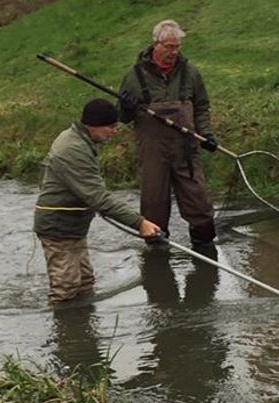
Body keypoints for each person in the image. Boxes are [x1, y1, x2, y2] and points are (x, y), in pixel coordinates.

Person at [33, 98, 161, 304]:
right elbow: (99, 197)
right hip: (57, 226)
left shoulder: (80, 140)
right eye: (110, 127)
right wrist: (139, 223)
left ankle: (85, 331)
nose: (114, 131)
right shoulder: (73, 149)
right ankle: (65, 332)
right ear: (93, 125)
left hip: (73, 225)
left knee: (84, 284)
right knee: (65, 289)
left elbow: (90, 192)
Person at [118, 19, 218, 252]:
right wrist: (128, 107)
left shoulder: (191, 72)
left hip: (186, 149)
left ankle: (205, 251)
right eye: (169, 47)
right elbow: (122, 117)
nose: (174, 52)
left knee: (199, 203)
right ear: (156, 44)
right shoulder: (134, 76)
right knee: (154, 206)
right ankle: (157, 259)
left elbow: (201, 107)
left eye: (177, 47)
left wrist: (207, 135)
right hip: (152, 152)